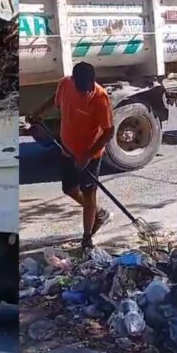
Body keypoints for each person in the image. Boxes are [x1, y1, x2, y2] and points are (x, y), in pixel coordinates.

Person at [28, 62, 115, 249]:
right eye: (82, 88)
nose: (86, 92)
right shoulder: (66, 84)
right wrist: (38, 112)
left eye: (89, 87)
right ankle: (99, 213)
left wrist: (87, 156)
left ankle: (87, 237)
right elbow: (54, 99)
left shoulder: (100, 98)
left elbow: (108, 132)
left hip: (90, 155)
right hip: (67, 149)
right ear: (74, 81)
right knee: (69, 189)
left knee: (89, 194)